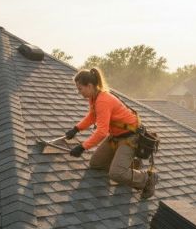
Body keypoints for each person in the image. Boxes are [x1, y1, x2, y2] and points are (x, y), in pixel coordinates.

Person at [65, 68, 158, 199]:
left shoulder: (103, 100)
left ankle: (147, 178)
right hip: (116, 137)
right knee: (96, 163)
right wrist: (76, 129)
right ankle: (129, 166)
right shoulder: (94, 97)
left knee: (116, 174)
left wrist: (82, 147)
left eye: (80, 89)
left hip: (130, 138)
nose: (79, 92)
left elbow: (102, 132)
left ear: (90, 86)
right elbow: (92, 116)